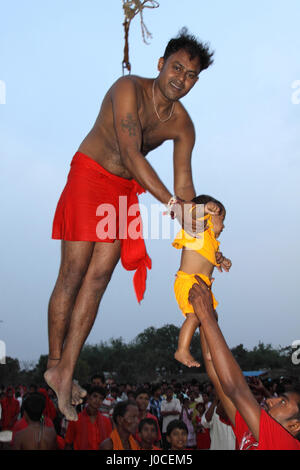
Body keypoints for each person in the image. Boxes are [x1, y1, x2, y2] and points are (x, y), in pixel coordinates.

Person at [45, 27, 219, 421]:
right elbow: (130, 151)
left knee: (100, 277)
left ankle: (66, 370)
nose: (182, 79)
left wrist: (198, 228)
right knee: (73, 272)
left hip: (124, 187)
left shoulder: (183, 125)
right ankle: (56, 362)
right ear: (161, 64)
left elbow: (184, 183)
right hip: (90, 173)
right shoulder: (127, 88)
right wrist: (172, 204)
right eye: (177, 68)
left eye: (191, 75)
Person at [188, 276, 300, 450]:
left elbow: (236, 389)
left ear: (294, 426)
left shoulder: (287, 445)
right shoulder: (250, 431)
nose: (271, 401)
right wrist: (206, 320)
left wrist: (207, 317)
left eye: (283, 402)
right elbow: (217, 376)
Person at [173, 194, 231, 368]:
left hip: (203, 286)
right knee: (195, 316)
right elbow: (189, 214)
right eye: (221, 220)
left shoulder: (213, 243)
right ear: (209, 217)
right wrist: (203, 209)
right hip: (188, 282)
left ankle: (209, 350)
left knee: (212, 316)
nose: (224, 225)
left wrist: (222, 260)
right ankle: (181, 350)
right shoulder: (198, 229)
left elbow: (211, 256)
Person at [64, 386, 112, 450]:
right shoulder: (75, 419)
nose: (97, 400)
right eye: (95, 396)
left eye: (101, 398)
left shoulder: (106, 421)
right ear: (88, 397)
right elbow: (68, 444)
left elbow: (109, 444)